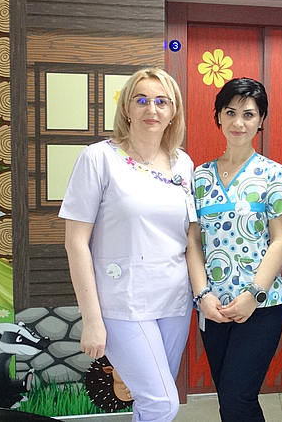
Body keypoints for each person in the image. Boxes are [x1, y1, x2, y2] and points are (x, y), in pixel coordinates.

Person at [60, 68, 196, 422]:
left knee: (150, 403)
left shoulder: (183, 163)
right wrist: (92, 319)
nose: (152, 109)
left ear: (173, 112)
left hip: (174, 302)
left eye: (162, 101)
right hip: (122, 303)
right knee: (162, 404)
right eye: (142, 100)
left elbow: (188, 237)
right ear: (126, 109)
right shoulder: (98, 158)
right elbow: (76, 243)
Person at [186, 77, 282, 421]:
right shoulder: (199, 177)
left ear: (261, 120)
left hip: (261, 306)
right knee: (229, 401)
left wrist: (253, 295)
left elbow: (281, 239)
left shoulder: (273, 173)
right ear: (218, 116)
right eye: (230, 112)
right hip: (213, 307)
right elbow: (193, 241)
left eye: (248, 114)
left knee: (237, 398)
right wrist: (203, 296)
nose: (238, 122)